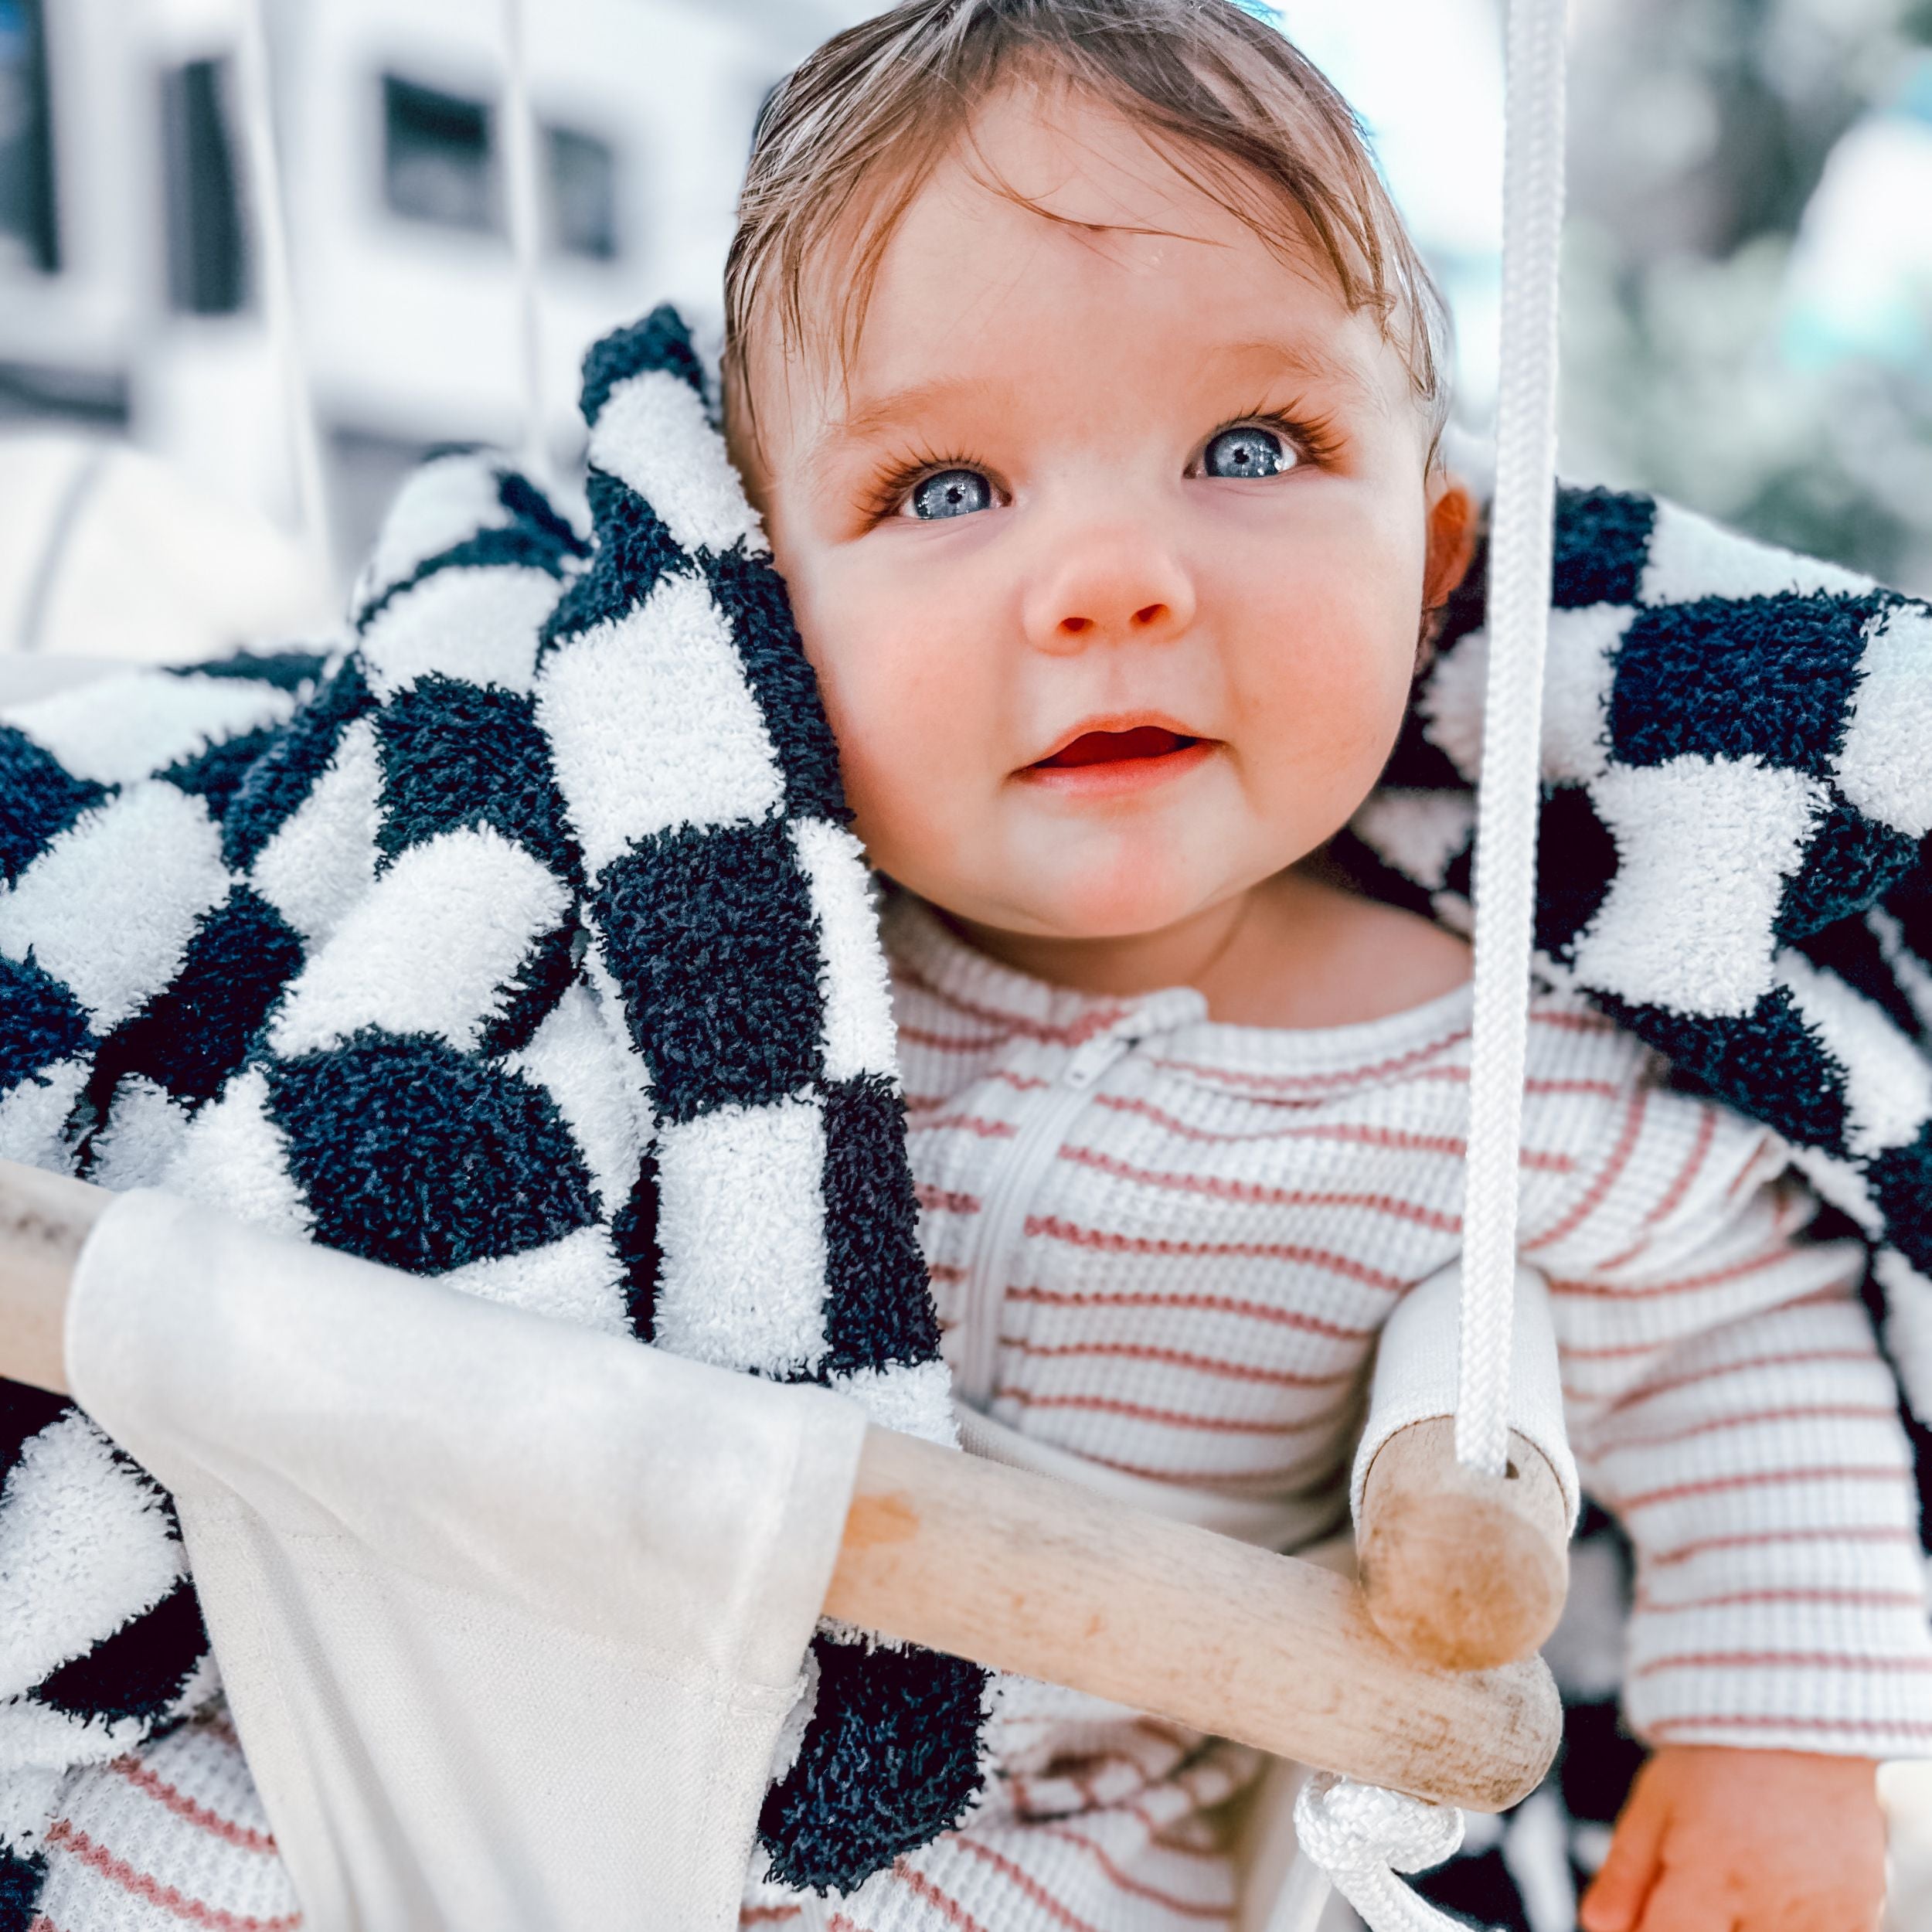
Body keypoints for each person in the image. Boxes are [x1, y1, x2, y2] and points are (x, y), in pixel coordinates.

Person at [721, 3, 1930, 1928]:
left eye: (1247, 445)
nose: (1111, 579)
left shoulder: (1481, 1070)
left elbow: (1738, 1339)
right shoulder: (724, 977)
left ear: (1434, 563)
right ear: (764, 603)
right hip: (583, 1744)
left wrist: (1770, 1741)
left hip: (1091, 1836)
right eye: (944, 490)